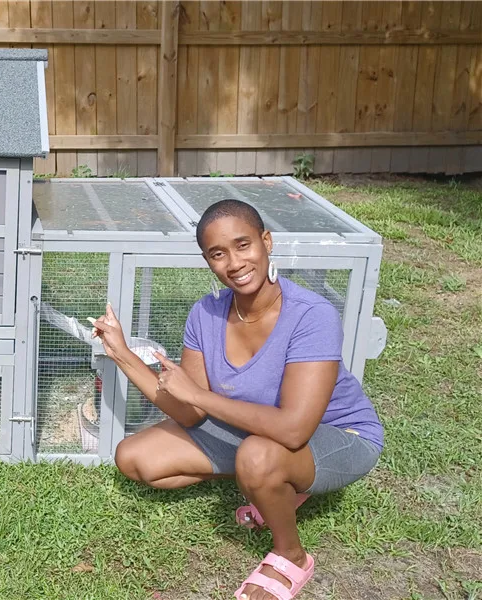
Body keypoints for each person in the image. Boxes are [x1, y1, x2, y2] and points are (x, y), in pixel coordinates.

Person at [91, 199, 383, 600]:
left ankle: (291, 555)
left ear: (266, 242)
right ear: (208, 261)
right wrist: (121, 353)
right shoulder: (206, 314)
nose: (234, 262)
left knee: (257, 457)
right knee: (135, 457)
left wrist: (199, 396)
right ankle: (270, 483)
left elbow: (294, 430)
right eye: (218, 254)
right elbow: (191, 413)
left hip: (338, 435)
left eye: (243, 245)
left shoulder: (311, 315)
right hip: (257, 433)